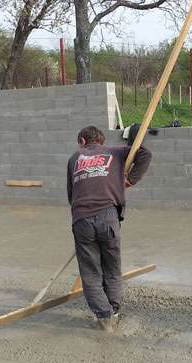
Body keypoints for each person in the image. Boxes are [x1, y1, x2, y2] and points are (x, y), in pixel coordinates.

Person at [66, 125, 152, 332]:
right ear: (101, 141)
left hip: (81, 219)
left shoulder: (74, 158)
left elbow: (71, 195)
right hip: (108, 216)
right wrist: (130, 179)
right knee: (112, 269)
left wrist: (81, 221)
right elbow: (145, 154)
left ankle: (104, 318)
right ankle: (113, 312)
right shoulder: (115, 152)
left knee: (91, 273)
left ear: (83, 141)